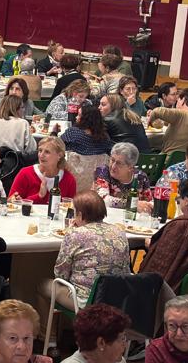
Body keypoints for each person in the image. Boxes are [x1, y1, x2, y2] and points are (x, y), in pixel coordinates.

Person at [40, 189, 130, 317]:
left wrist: (71, 233)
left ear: (80, 214)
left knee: (42, 285)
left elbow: (60, 275)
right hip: (118, 300)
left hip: (87, 302)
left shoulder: (75, 234)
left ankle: (49, 330)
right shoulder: (119, 231)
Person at [8, 136, 77, 203]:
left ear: (59, 155)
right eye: (40, 151)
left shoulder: (69, 179)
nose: (41, 155)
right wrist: (39, 196)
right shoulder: (25, 174)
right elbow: (10, 202)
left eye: (47, 152)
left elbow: (71, 207)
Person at [146, 87, 188, 154]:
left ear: (183, 100)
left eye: (179, 99)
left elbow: (157, 111)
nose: (177, 101)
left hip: (169, 157)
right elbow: (172, 123)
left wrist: (150, 121)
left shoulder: (180, 114)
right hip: (186, 157)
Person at [93, 141, 149, 206]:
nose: (113, 166)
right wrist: (132, 204)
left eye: (119, 163)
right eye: (112, 160)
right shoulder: (103, 171)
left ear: (130, 167)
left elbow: (149, 202)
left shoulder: (141, 177)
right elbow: (103, 200)